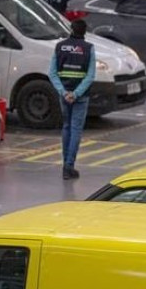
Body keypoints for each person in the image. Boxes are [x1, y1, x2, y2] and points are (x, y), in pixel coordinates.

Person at [49, 19, 95, 180]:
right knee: (76, 130)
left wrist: (63, 92)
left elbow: (52, 73)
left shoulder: (60, 47)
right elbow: (90, 76)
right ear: (84, 31)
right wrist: (76, 94)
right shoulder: (89, 49)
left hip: (64, 94)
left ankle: (65, 165)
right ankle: (69, 166)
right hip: (81, 96)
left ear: (71, 29)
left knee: (67, 127)